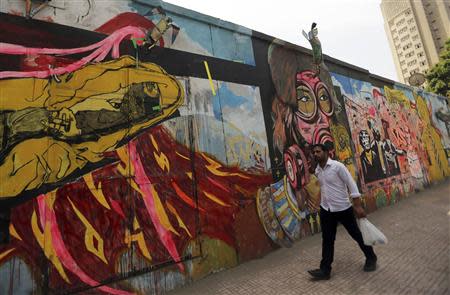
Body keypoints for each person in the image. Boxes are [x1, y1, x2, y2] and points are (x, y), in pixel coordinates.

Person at [308, 143, 377, 280]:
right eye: (314, 152)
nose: (316, 154)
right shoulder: (318, 170)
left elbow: (351, 184)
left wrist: (357, 206)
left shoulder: (337, 167)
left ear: (326, 152)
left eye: (318, 151)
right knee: (327, 239)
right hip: (326, 210)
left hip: (343, 209)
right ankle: (325, 270)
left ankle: (371, 257)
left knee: (356, 235)